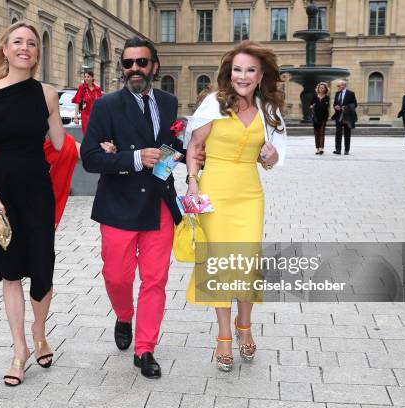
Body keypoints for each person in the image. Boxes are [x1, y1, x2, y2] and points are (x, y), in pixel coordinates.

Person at [0, 22, 74, 387]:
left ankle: (40, 331)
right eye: (18, 42)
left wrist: (96, 140)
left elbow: (60, 144)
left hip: (37, 191)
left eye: (32, 43)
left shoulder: (47, 94)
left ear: (36, 53)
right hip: (1, 190)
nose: (25, 48)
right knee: (10, 274)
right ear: (6, 50)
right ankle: (20, 350)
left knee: (43, 268)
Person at [80, 37, 190, 379]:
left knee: (155, 279)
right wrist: (133, 158)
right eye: (128, 64)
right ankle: (124, 314)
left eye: (141, 63)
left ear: (154, 66)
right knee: (117, 276)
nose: (134, 70)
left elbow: (173, 149)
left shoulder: (169, 103)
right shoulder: (106, 106)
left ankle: (145, 348)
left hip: (158, 203)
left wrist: (169, 161)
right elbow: (90, 158)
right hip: (118, 205)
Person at [184, 40, 285, 372]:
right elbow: (195, 148)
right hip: (215, 193)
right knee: (218, 266)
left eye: (250, 70)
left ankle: (246, 325)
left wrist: (271, 158)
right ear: (229, 73)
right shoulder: (215, 103)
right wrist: (193, 181)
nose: (243, 76)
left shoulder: (268, 110)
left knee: (245, 264)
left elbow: (270, 156)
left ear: (260, 75)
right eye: (237, 69)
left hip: (249, 194)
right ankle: (225, 334)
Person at [331, 80, 357, 155]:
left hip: (347, 116)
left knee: (347, 133)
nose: (337, 87)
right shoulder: (337, 93)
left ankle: (346, 150)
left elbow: (355, 104)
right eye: (337, 86)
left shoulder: (350, 93)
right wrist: (335, 107)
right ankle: (338, 150)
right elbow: (335, 103)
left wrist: (346, 107)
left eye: (339, 86)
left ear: (344, 86)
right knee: (338, 133)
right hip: (338, 116)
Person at [310, 82, 330, 155]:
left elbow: (325, 107)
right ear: (318, 88)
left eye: (323, 88)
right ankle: (317, 148)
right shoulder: (314, 96)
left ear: (325, 89)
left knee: (322, 133)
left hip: (323, 117)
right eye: (320, 87)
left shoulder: (327, 97)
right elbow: (311, 105)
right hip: (315, 117)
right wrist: (312, 106)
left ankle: (321, 148)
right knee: (316, 133)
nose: (321, 89)